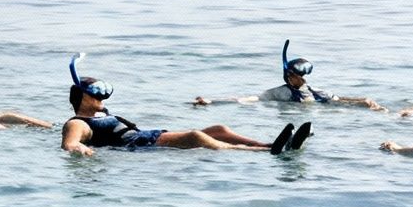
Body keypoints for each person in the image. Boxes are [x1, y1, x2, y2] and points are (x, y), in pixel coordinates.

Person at [61, 56, 307, 156]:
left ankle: (269, 143)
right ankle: (264, 153)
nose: (102, 97)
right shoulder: (77, 123)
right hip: (139, 146)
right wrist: (79, 150)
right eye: (97, 92)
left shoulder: (100, 113)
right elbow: (70, 142)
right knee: (196, 136)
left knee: (218, 128)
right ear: (82, 97)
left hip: (147, 135)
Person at [193, 41, 384, 109]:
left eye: (303, 77)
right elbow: (247, 99)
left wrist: (363, 101)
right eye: (298, 77)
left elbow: (338, 100)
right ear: (289, 75)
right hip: (291, 114)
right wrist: (213, 101)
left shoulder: (315, 92)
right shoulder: (278, 93)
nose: (302, 80)